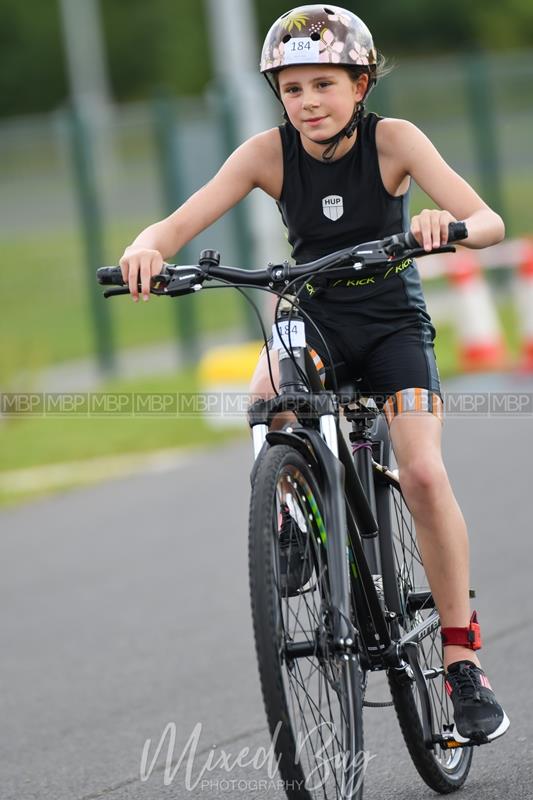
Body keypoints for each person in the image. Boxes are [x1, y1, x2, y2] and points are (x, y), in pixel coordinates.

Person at [119, 4, 509, 744]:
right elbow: (180, 222)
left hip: (392, 327)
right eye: (291, 88)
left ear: (361, 85)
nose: (307, 102)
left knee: (422, 473)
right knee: (265, 395)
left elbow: (485, 219)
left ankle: (461, 663)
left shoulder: (393, 140)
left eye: (323, 84)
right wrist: (146, 246)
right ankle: (291, 517)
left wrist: (441, 226)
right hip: (313, 319)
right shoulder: (266, 154)